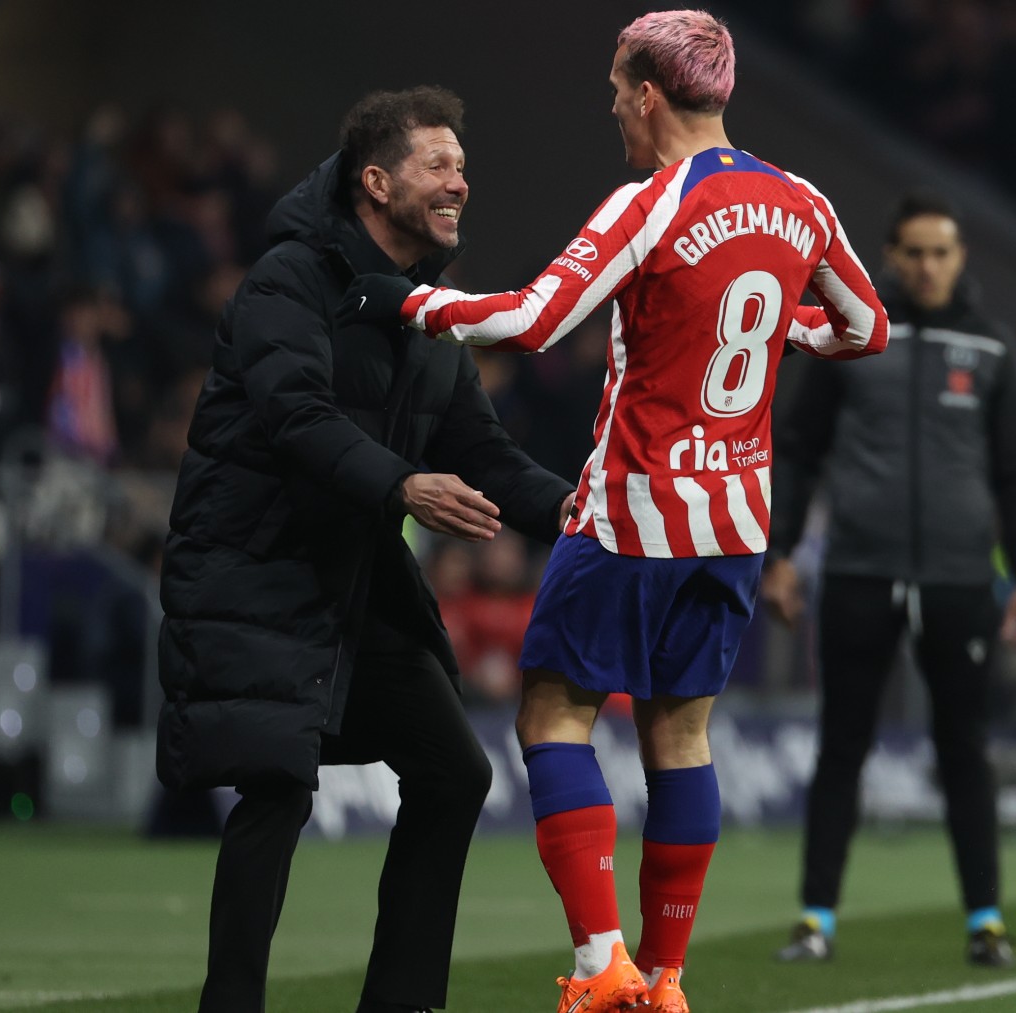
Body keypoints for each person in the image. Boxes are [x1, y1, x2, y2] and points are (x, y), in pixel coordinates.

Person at [342, 12, 888, 1011]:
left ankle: (601, 963)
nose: (610, 110)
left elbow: (533, 320)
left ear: (648, 94)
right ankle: (668, 978)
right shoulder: (800, 200)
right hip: (735, 520)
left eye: (612, 90)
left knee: (555, 714)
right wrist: (779, 337)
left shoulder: (654, 202)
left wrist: (405, 304)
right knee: (683, 736)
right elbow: (866, 326)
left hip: (635, 513)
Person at [155, 87, 574, 1013]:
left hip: (354, 579)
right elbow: (297, 418)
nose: (460, 181)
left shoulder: (430, 317)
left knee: (455, 771)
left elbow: (486, 455)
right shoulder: (285, 283)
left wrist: (590, 512)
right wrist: (403, 485)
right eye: (439, 164)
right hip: (257, 567)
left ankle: (402, 1003)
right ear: (376, 182)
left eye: (463, 165)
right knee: (273, 787)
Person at [758, 192, 1016, 968]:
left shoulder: (991, 346)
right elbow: (800, 449)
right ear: (889, 255)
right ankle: (815, 919)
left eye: (940, 252)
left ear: (960, 259)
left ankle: (985, 920)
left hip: (957, 578)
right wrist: (780, 553)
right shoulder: (850, 334)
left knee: (965, 750)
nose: (927, 265)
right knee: (841, 746)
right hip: (857, 567)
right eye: (913, 252)